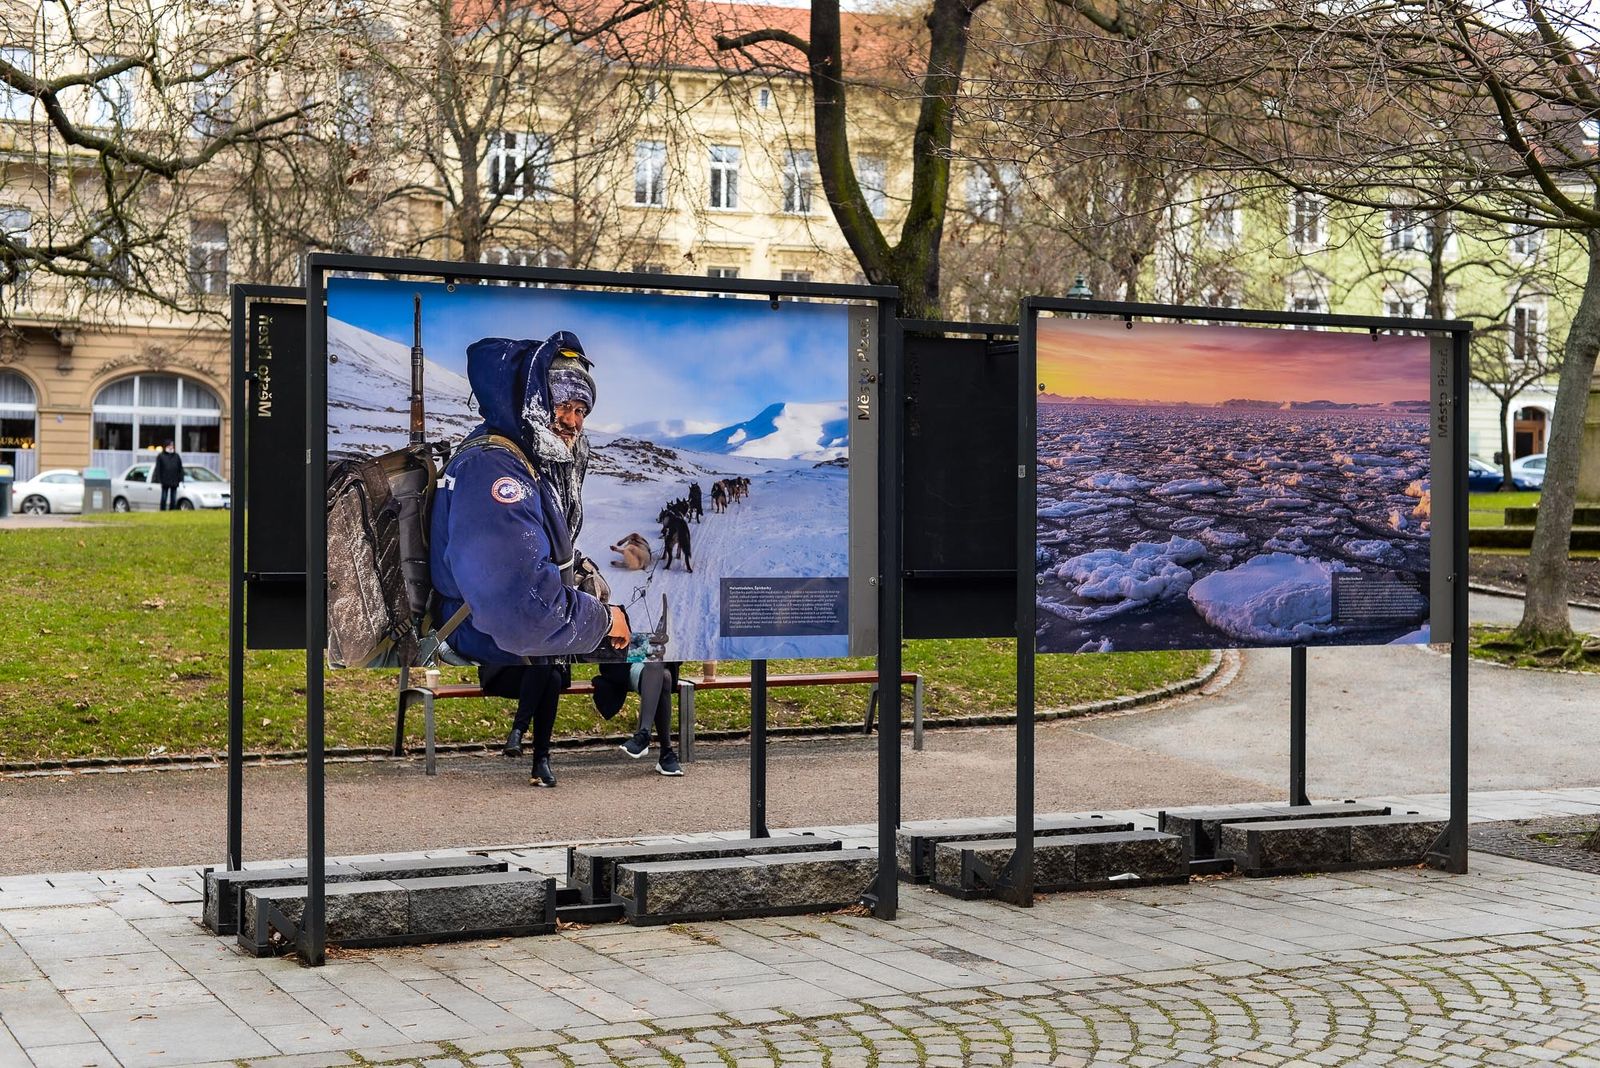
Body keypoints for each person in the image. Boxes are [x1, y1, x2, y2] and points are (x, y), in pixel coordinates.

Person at [429, 331, 629, 788]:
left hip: (505, 627)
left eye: (581, 410)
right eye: (563, 404)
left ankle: (537, 742)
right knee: (618, 644)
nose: (572, 420)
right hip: (484, 633)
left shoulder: (524, 458)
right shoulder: (495, 468)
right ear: (535, 395)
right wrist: (604, 618)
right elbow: (521, 609)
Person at [593, 659, 685, 776]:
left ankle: (644, 735)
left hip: (661, 662)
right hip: (627, 664)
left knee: (662, 672)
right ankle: (665, 753)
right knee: (663, 676)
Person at [153, 441, 184, 511]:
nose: (171, 446)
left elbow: (180, 468)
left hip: (174, 480)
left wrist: (181, 479)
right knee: (164, 497)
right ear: (166, 446)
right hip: (165, 480)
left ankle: (172, 510)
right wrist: (159, 479)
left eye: (172, 445)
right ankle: (163, 510)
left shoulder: (176, 456)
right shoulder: (161, 456)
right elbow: (158, 469)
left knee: (173, 497)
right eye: (170, 445)